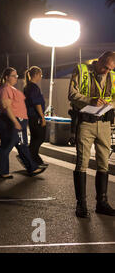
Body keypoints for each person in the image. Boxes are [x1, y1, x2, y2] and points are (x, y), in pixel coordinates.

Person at [68, 51, 115, 218]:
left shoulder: (113, 76)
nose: (106, 71)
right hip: (86, 122)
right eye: (105, 67)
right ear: (99, 60)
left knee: (104, 164)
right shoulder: (81, 70)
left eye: (110, 69)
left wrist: (111, 103)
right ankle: (81, 204)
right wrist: (90, 101)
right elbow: (72, 95)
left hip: (104, 123)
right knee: (82, 163)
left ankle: (101, 203)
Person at [0, 67, 48, 179]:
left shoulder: (8, 88)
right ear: (6, 77)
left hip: (17, 120)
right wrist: (15, 122)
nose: (16, 78)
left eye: (16, 75)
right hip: (14, 120)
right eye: (13, 76)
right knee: (9, 145)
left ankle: (31, 168)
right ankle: (6, 171)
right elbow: (7, 107)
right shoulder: (6, 89)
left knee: (20, 145)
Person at [23, 66, 48, 167]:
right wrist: (42, 118)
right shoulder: (33, 87)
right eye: (41, 75)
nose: (41, 77)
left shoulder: (28, 87)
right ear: (37, 75)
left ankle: (35, 160)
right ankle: (30, 157)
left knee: (34, 138)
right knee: (40, 138)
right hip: (35, 117)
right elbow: (37, 103)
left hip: (30, 116)